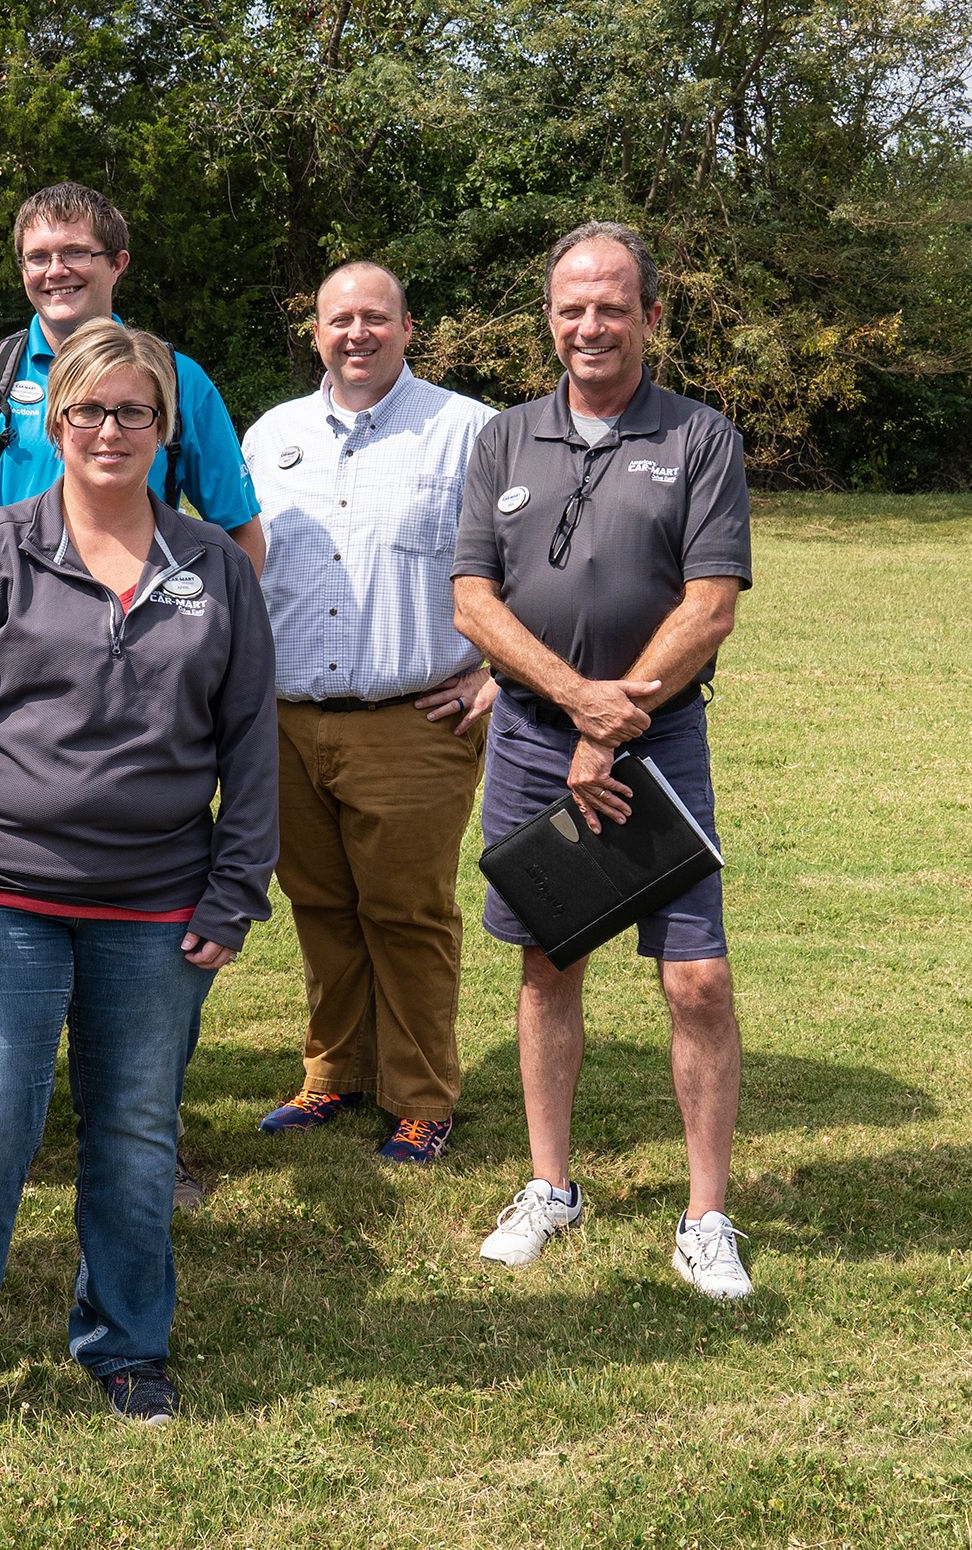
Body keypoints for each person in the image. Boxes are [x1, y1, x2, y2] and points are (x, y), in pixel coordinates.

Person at [0, 321, 276, 1459]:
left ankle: (126, 1344)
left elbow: (247, 742)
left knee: (135, 1132)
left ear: (162, 427)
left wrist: (234, 890)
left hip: (159, 907)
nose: (106, 430)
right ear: (54, 420)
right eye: (85, 410)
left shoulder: (214, 566)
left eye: (131, 411)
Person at [450, 221, 754, 1298]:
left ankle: (705, 1213)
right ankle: (548, 1186)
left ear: (649, 318)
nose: (590, 325)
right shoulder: (501, 439)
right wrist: (571, 705)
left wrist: (605, 721)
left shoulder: (700, 438)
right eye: (571, 306)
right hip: (534, 743)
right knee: (546, 964)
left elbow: (707, 606)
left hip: (657, 743)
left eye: (611, 306)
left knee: (696, 979)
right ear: (549, 318)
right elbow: (471, 596)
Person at [240, 261, 498, 1164]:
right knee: (319, 905)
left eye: (375, 318)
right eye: (339, 319)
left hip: (413, 719)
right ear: (315, 332)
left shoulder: (469, 431)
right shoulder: (271, 435)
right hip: (285, 719)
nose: (357, 333)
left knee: (406, 911)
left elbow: (540, 558)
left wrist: (498, 673)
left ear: (407, 327)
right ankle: (333, 1075)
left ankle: (422, 1096)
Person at [0, 181, 264, 595]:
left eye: (76, 252)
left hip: (141, 637)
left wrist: (213, 633)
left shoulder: (179, 379)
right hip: (5, 638)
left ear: (118, 263)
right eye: (37, 258)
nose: (55, 271)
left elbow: (240, 532)